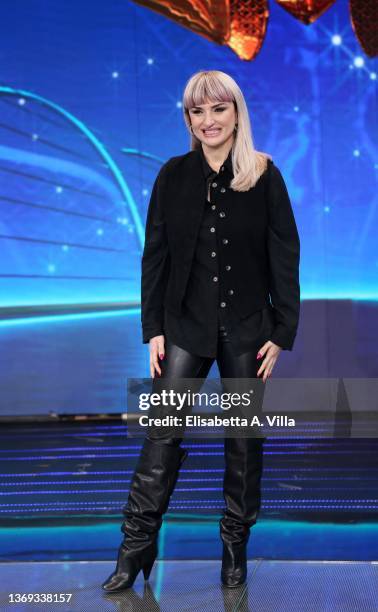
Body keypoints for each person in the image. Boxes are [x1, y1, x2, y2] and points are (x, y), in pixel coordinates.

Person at [102, 69, 300, 592]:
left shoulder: (263, 174)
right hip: (184, 325)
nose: (208, 121)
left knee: (242, 440)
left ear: (236, 112)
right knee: (161, 436)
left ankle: (234, 549)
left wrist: (281, 331)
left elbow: (284, 255)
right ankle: (134, 548)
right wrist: (154, 329)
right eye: (197, 111)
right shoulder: (173, 175)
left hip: (246, 330)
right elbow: (156, 257)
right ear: (188, 119)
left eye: (218, 109)